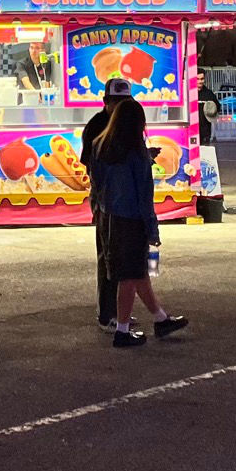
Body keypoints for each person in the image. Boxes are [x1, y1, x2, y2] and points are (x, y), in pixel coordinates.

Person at [92, 97, 188, 347]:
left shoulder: (100, 146)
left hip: (109, 217)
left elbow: (97, 184)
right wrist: (152, 228)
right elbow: (145, 196)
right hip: (132, 219)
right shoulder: (137, 155)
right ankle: (122, 331)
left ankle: (160, 318)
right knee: (130, 275)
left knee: (136, 272)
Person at [82, 79, 133, 328]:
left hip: (127, 199)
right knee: (108, 255)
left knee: (126, 256)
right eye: (117, 102)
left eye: (126, 102)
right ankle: (107, 314)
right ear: (106, 102)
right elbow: (90, 165)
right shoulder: (96, 126)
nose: (122, 107)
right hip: (106, 199)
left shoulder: (129, 124)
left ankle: (121, 311)